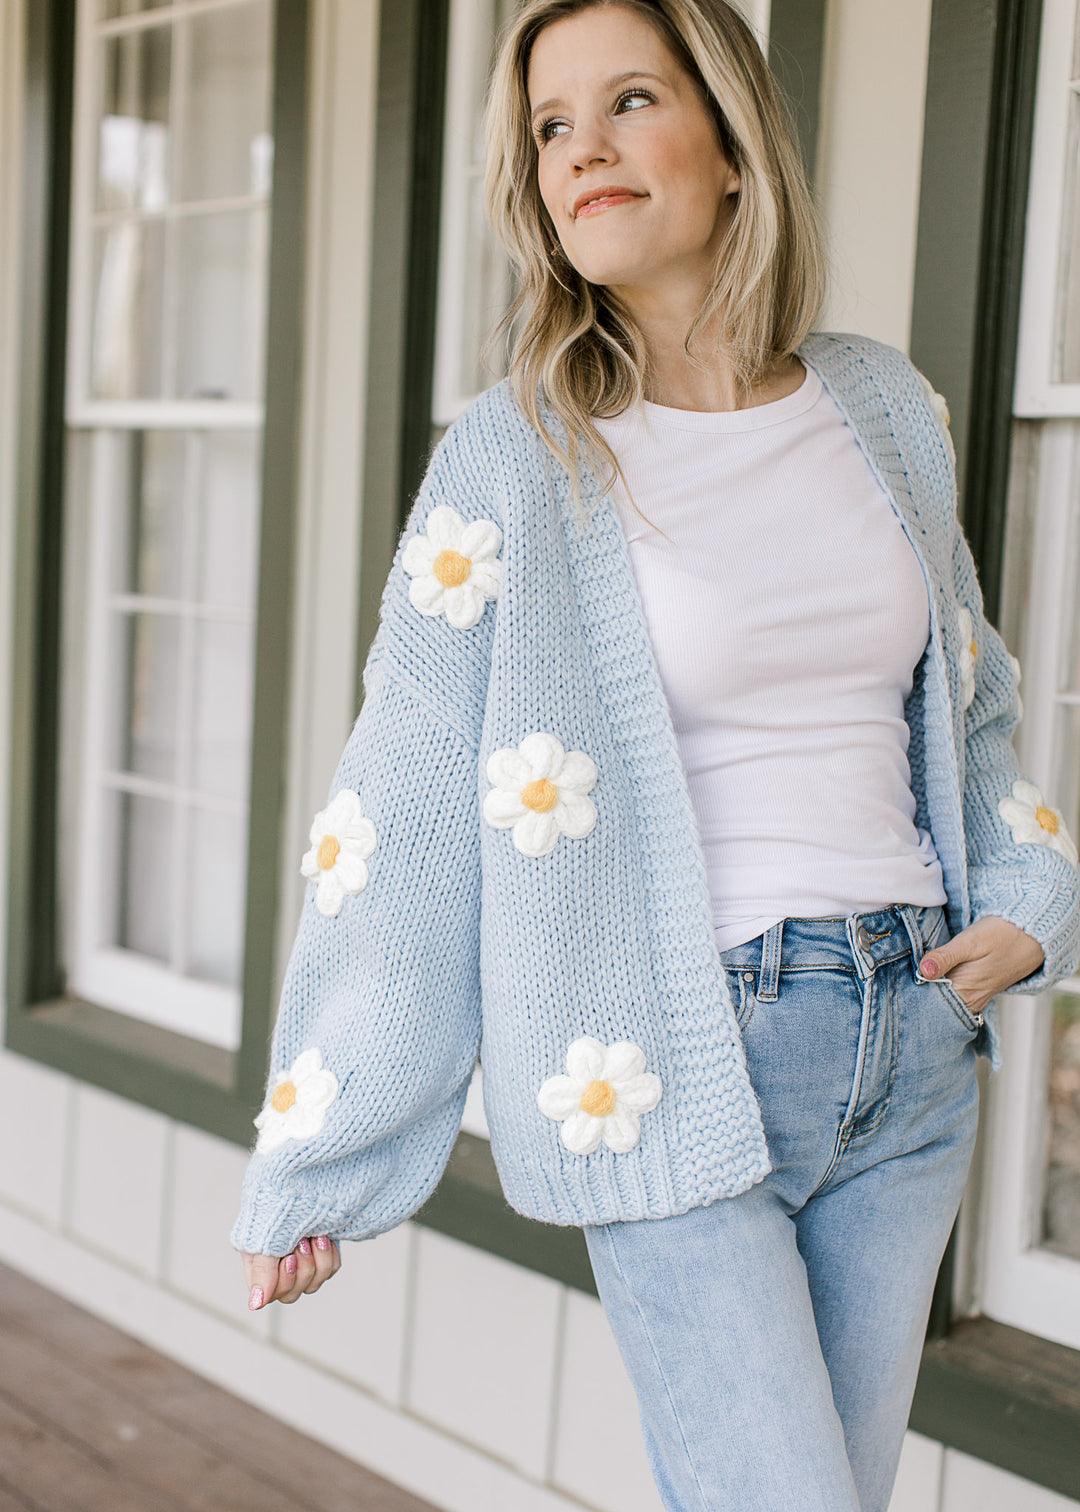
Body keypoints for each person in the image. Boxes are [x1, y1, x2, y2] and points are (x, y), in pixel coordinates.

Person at [232, 3, 1080, 1508]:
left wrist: (1028, 900)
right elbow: (408, 804)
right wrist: (326, 1144)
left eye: (629, 101)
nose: (586, 152)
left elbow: (969, 698)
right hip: (679, 1055)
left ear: (735, 148)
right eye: (553, 126)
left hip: (918, 1040)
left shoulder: (882, 406)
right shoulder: (515, 455)